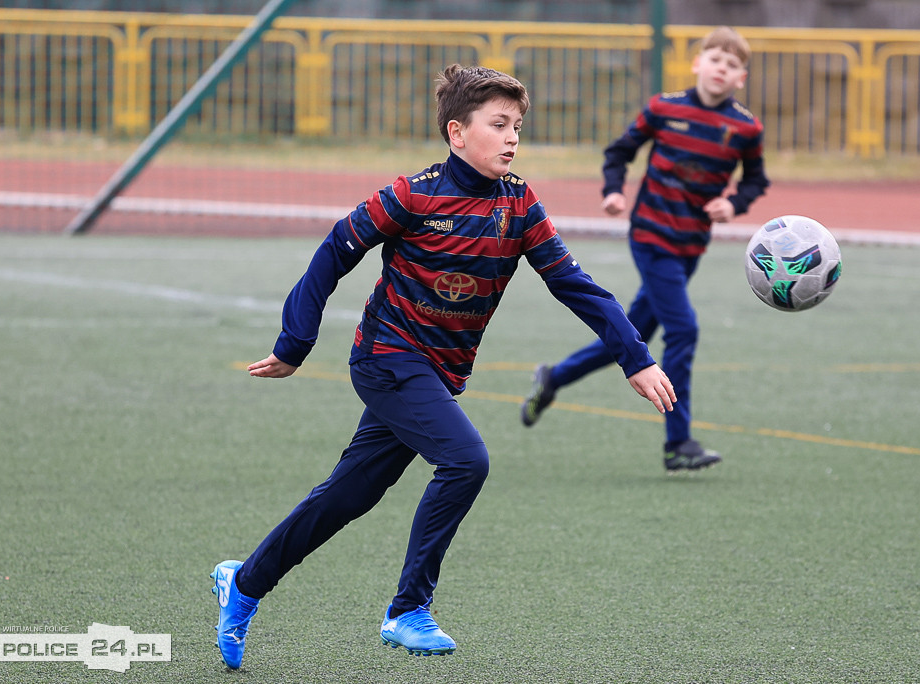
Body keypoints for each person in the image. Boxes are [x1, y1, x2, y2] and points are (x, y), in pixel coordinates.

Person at [211, 64, 677, 670]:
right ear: (457, 133)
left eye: (517, 126)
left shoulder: (519, 202)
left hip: (437, 376)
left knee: (346, 497)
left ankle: (242, 583)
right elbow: (332, 253)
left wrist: (634, 357)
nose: (512, 138)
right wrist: (295, 342)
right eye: (498, 125)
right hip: (386, 358)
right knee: (465, 461)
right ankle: (409, 609)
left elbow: (573, 284)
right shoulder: (412, 195)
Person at [520, 26, 769, 472]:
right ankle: (678, 443)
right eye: (714, 59)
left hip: (690, 244)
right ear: (696, 64)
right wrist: (613, 191)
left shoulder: (745, 127)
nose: (721, 69)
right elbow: (619, 151)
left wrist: (733, 203)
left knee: (630, 334)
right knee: (684, 331)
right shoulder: (663, 108)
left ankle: (554, 377)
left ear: (741, 79)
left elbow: (755, 180)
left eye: (732, 65)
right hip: (651, 236)